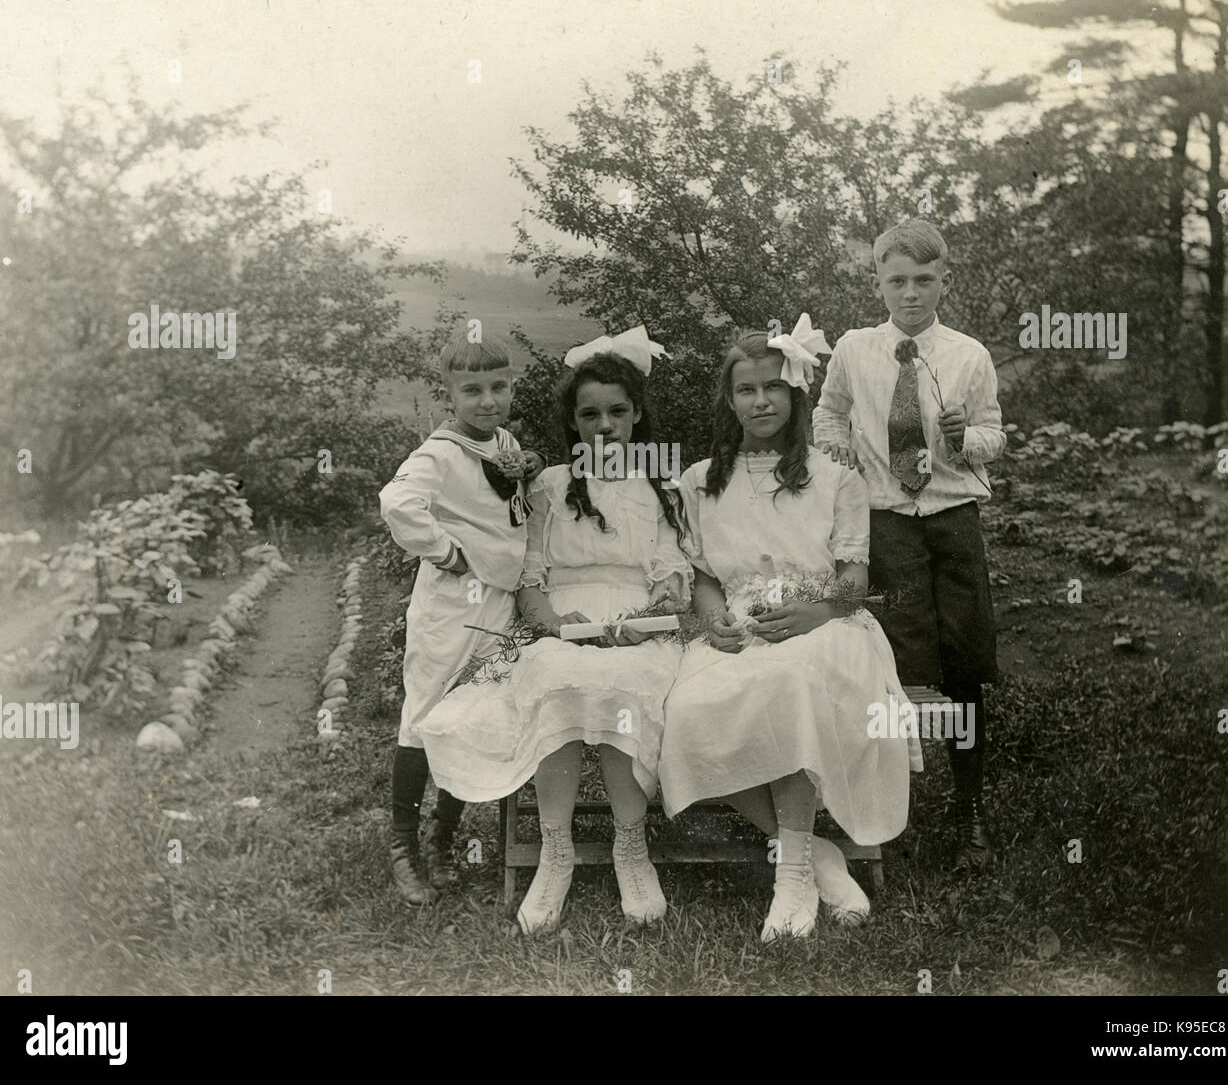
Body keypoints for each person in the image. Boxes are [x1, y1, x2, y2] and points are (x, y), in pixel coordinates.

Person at [419, 327, 690, 934]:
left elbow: (673, 572)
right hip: (561, 622)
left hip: (637, 626)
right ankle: (555, 852)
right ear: (573, 421)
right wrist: (555, 625)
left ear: (637, 414)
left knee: (626, 684)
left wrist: (643, 622)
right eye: (589, 413)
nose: (604, 426)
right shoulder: (548, 485)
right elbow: (529, 577)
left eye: (618, 412)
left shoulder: (660, 485)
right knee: (558, 678)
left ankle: (630, 847)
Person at [659, 324, 913, 942]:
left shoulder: (835, 478)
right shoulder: (700, 481)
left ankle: (792, 875)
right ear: (730, 399)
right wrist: (714, 617)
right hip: (744, 627)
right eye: (746, 390)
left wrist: (817, 614)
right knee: (684, 713)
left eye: (775, 387)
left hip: (828, 624)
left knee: (789, 684)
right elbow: (704, 578)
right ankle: (811, 849)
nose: (761, 401)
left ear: (798, 394)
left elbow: (854, 581)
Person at [813, 217, 1005, 869]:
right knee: (894, 660)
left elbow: (993, 436)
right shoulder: (854, 349)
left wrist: (962, 439)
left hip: (952, 519)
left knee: (965, 662)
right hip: (886, 521)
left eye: (925, 280)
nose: (912, 294)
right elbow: (827, 412)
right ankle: (888, 812)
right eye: (898, 281)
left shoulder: (968, 355)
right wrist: (839, 457)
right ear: (879, 282)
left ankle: (967, 808)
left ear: (944, 281)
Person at [378, 329, 543, 906]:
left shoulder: (500, 439)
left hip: (497, 602)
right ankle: (402, 844)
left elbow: (509, 496)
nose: (487, 400)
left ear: (511, 385)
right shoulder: (439, 453)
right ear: (449, 393)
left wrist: (530, 461)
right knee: (424, 713)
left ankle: (443, 838)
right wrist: (445, 552)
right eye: (471, 390)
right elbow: (397, 502)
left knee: (470, 713)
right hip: (452, 604)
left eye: (498, 386)